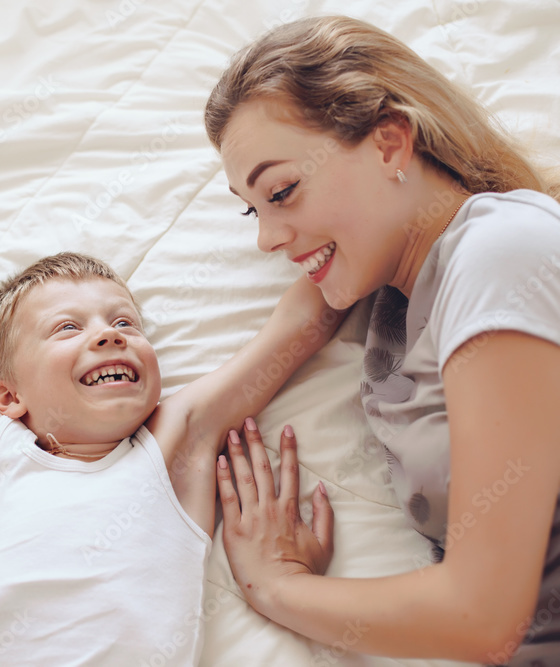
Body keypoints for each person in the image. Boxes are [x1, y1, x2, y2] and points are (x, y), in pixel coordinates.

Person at [0, 152, 340, 665]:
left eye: (126, 324)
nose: (109, 334)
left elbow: (297, 327)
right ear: (8, 397)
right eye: (68, 327)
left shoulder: (172, 444)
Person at [203, 15, 560, 666]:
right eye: (254, 209)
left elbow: (483, 616)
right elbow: (197, 423)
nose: (266, 238)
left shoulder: (498, 253)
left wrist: (278, 587)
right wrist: (307, 313)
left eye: (283, 190)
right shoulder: (395, 307)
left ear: (391, 142)